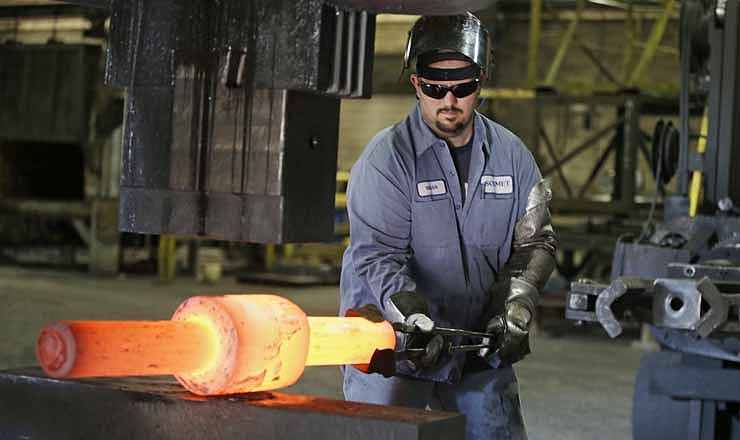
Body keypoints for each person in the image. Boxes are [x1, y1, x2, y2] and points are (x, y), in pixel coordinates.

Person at [339, 12, 557, 440]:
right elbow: (377, 255)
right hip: (398, 353)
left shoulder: (512, 157)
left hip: (478, 352)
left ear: (481, 83)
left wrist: (515, 307)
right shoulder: (387, 161)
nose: (449, 102)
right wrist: (415, 318)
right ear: (416, 83)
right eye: (436, 89)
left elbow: (536, 244)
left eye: (463, 89)